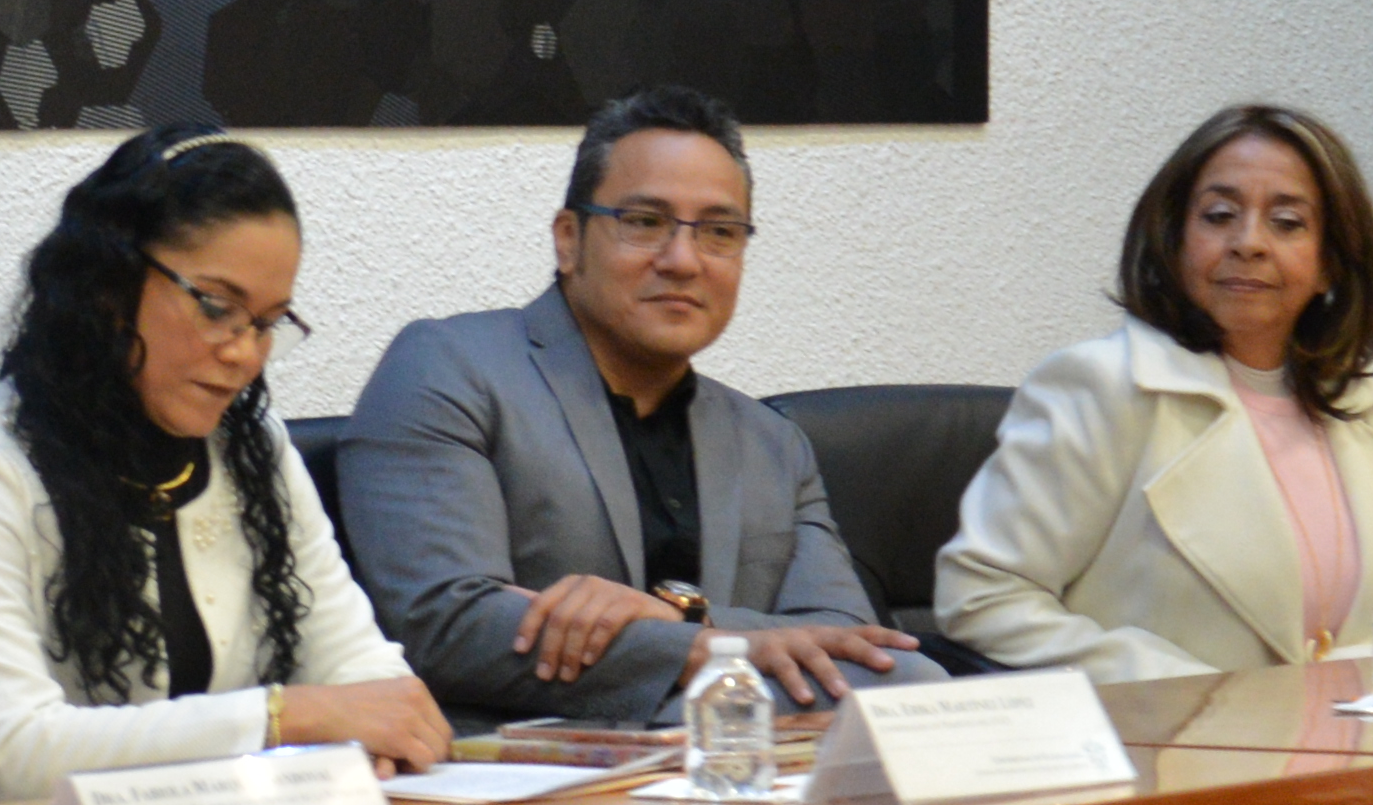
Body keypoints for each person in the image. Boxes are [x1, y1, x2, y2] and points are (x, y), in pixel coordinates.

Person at [0, 126, 455, 805]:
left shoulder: (253, 447)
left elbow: (358, 663)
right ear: (111, 285)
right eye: (216, 307)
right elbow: (15, 755)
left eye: (267, 322)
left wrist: (384, 729)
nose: (244, 354)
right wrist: (283, 717)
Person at [338, 85, 933, 723]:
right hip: (537, 764)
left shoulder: (772, 442)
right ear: (568, 240)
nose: (682, 260)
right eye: (645, 223)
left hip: (743, 767)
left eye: (719, 232)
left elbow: (844, 637)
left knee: (906, 682)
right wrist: (707, 648)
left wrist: (681, 619)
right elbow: (444, 623)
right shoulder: (449, 367)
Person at [940, 102, 1373, 681]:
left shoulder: (1372, 402)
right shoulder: (1103, 386)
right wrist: (1179, 689)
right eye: (1219, 215)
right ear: (1174, 242)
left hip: (1358, 756)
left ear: (1331, 265)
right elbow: (984, 594)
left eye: (1288, 222)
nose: (1248, 242)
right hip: (1173, 754)